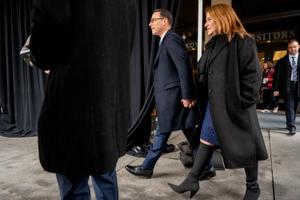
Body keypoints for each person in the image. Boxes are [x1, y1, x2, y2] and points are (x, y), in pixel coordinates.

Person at [29, 1, 136, 199]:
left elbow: (48, 24)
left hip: (75, 98)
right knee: (105, 168)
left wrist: (42, 58)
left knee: (73, 177)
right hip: (108, 97)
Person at [168, 4, 268, 200]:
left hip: (235, 107)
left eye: (209, 20)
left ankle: (253, 187)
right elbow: (205, 76)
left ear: (222, 18)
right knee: (206, 139)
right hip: (213, 107)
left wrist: (241, 102)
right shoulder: (213, 45)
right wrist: (196, 97)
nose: (206, 25)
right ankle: (192, 179)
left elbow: (253, 76)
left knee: (245, 145)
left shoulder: (242, 41)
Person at [125, 9, 201, 179]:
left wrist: (187, 95)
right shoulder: (164, 41)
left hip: (175, 98)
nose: (150, 24)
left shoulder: (172, 39)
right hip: (173, 97)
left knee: (162, 132)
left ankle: (147, 167)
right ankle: (207, 166)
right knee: (188, 130)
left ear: (165, 21)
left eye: (153, 20)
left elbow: (184, 68)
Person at [273, 39, 300, 135]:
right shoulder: (281, 61)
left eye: (294, 47)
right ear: (288, 48)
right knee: (289, 106)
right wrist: (275, 89)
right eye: (290, 47)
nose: (292, 49)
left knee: (295, 106)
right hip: (287, 86)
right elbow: (277, 76)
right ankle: (292, 126)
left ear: (298, 47)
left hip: (298, 86)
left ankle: (289, 123)